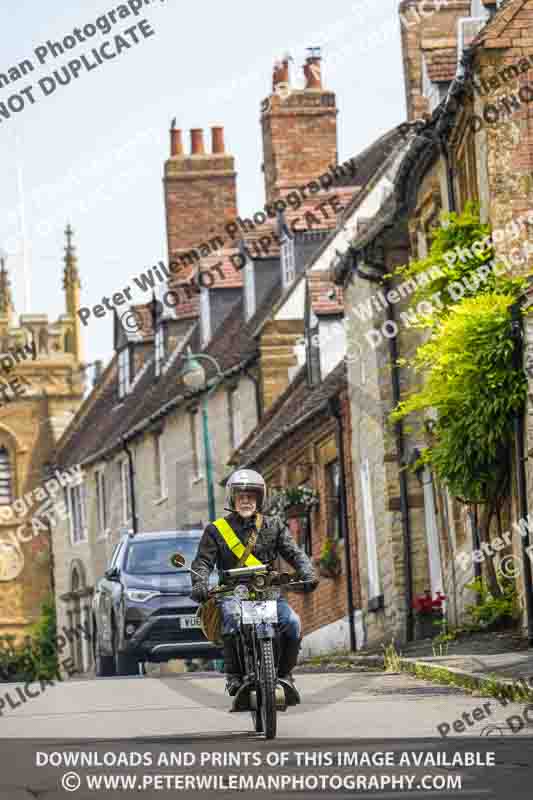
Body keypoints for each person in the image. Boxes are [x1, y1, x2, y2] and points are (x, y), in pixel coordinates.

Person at [190, 468, 319, 696]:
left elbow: (295, 553)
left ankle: (285, 674)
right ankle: (234, 676)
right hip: (232, 593)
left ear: (260, 498)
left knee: (293, 623)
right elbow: (202, 563)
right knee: (230, 619)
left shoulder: (274, 525)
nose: (246, 500)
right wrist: (199, 583)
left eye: (251, 495)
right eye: (241, 496)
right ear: (232, 498)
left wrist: (307, 572)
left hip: (267, 592)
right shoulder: (216, 531)